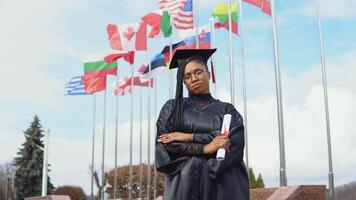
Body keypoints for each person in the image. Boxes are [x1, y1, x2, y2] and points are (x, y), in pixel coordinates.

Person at [155, 49, 249, 200]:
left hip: (223, 185)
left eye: (198, 72)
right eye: (187, 76)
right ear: (183, 81)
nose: (193, 78)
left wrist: (188, 137)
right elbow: (166, 146)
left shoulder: (227, 110)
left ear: (209, 74)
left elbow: (232, 143)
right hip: (184, 185)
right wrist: (206, 148)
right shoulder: (172, 109)